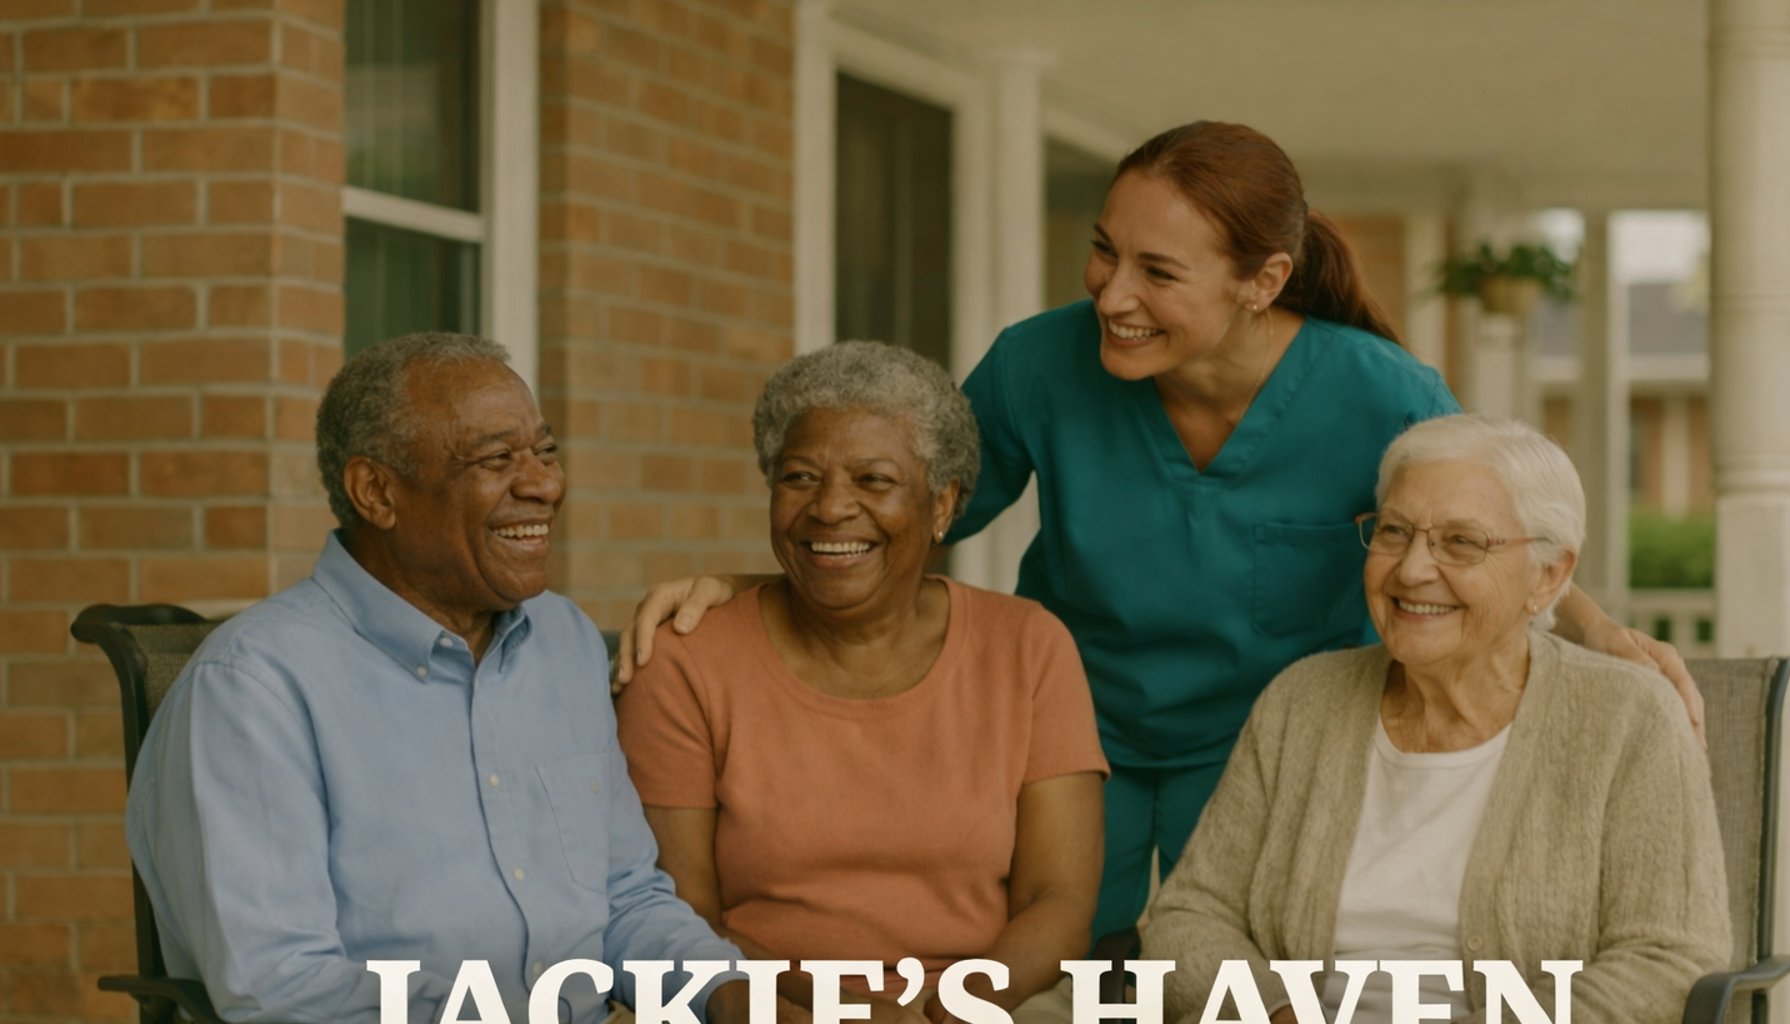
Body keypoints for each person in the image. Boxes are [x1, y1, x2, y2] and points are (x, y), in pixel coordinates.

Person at [612, 121, 1704, 943]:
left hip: (1271, 750)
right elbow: (894, 516)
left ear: (1263, 282)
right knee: (1064, 999)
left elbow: (1487, 533)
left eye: (1158, 273)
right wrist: (745, 585)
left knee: (1227, 1009)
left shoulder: (1379, 392)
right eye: (1104, 251)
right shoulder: (1041, 364)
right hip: (1071, 737)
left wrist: (1594, 628)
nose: (1111, 294)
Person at [126, 332, 981, 1024]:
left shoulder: (561, 642)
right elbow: (275, 977)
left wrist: (730, 990)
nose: (543, 485)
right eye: (497, 460)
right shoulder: (255, 684)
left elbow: (625, 896)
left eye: (544, 451)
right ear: (377, 491)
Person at [1129, 416, 1731, 1024]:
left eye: (1460, 543)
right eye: (1395, 533)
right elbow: (1192, 915)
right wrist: (1283, 1023)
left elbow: (1666, 967)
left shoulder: (1628, 720)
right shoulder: (1303, 702)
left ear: (1548, 575)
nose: (1413, 569)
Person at [616, 340, 1139, 1024]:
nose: (830, 508)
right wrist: (843, 1013)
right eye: (799, 477)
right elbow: (679, 915)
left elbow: (1059, 900)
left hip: (991, 1002)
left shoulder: (1027, 647)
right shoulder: (688, 661)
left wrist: (950, 1011)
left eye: (873, 480)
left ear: (943, 504)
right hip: (762, 1012)